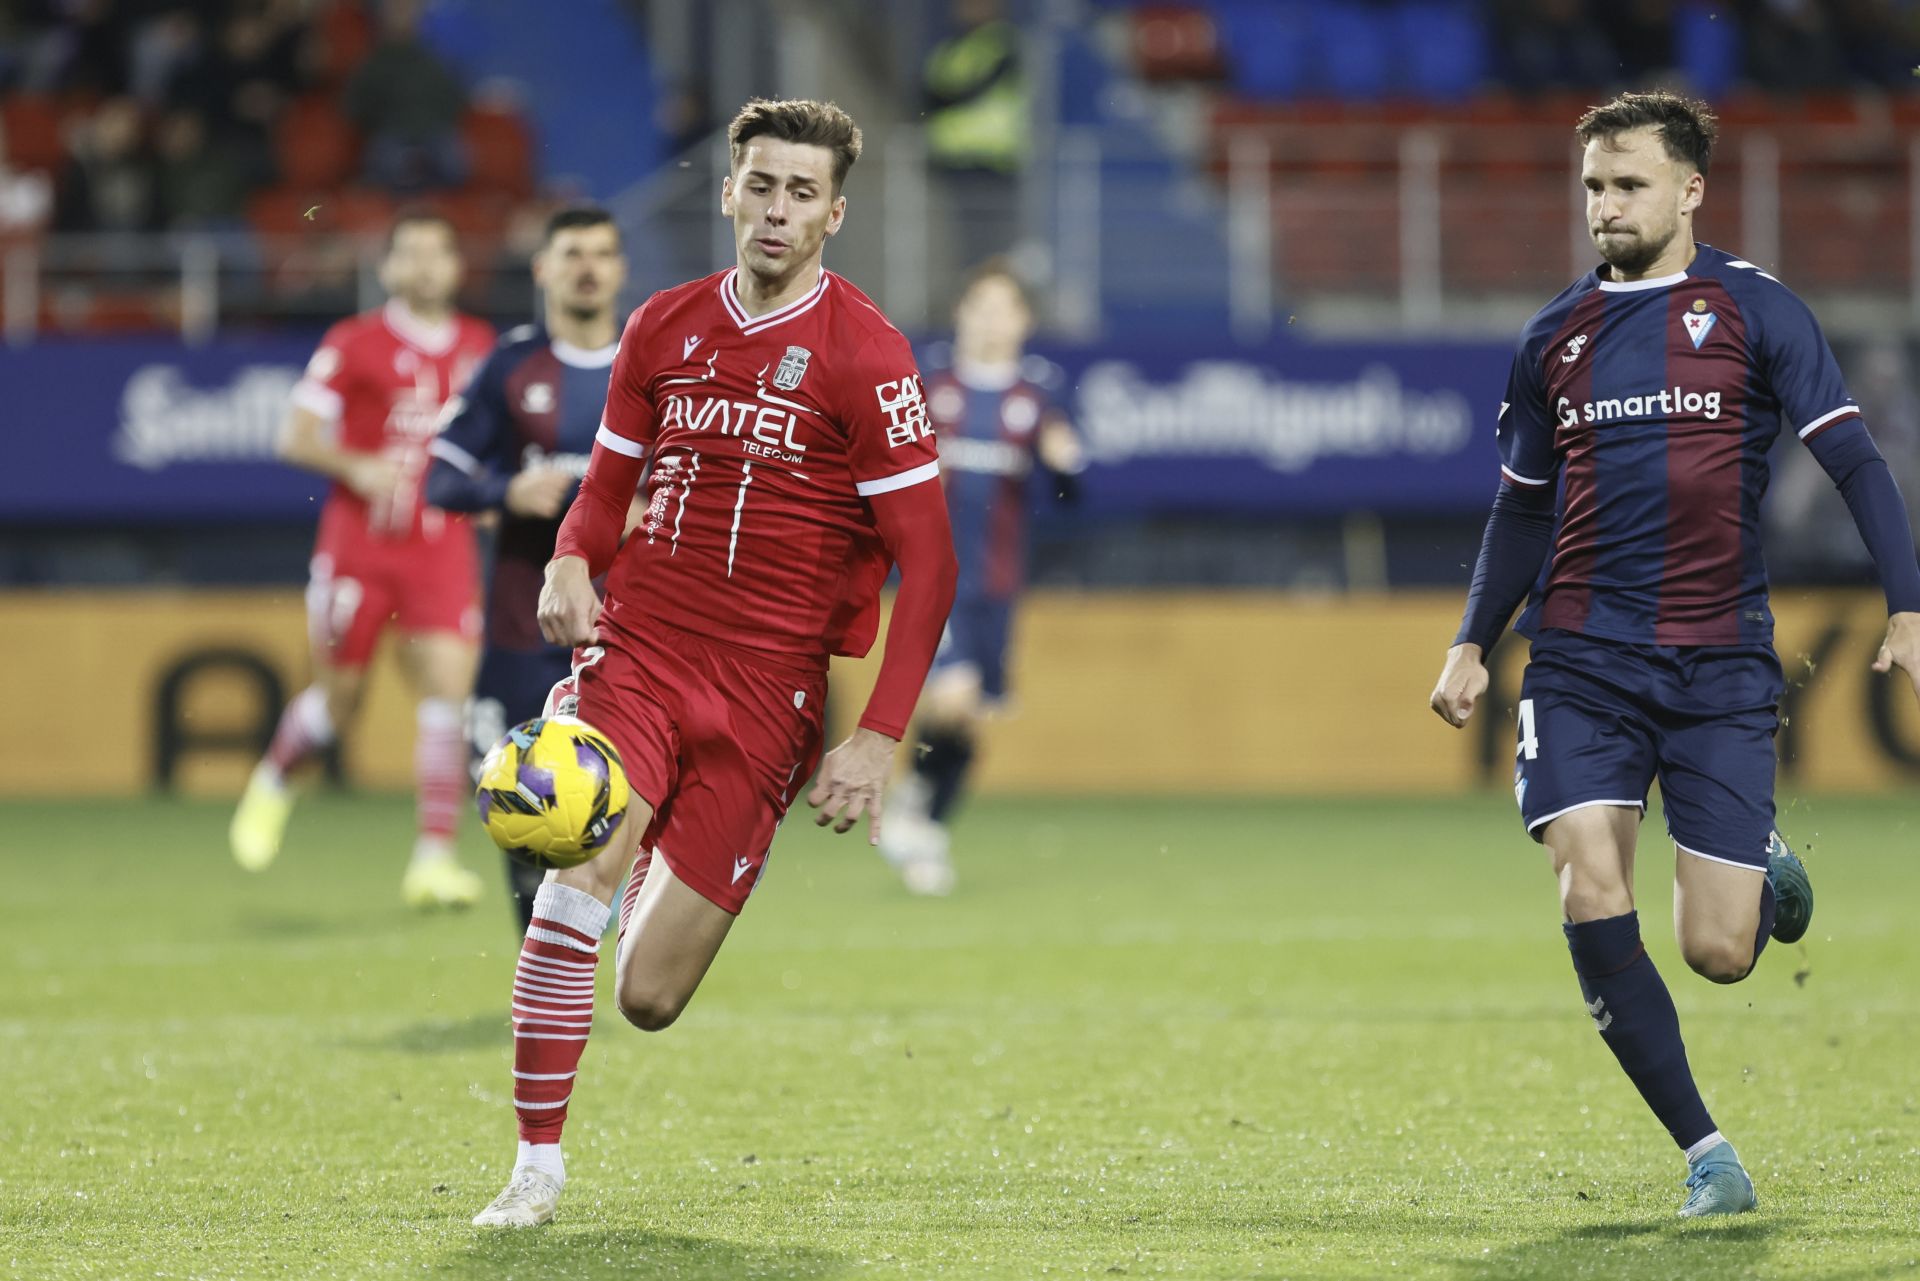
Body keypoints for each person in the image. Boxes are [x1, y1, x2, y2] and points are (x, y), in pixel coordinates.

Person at [1429, 91, 1920, 1217]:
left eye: (1631, 184)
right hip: (1582, 662)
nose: (1606, 205)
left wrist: (1909, 607)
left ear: (1691, 190)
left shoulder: (1757, 312)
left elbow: (1855, 462)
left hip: (1720, 667)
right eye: (1595, 185)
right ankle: (1708, 1154)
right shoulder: (1551, 338)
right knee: (1588, 882)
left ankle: (1759, 855)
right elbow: (1519, 511)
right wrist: (1470, 641)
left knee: (1720, 953)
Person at [470, 98, 957, 1228]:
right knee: (571, 863)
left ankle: (650, 862)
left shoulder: (869, 358)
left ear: (834, 214)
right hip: (636, 647)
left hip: (767, 695)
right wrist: (569, 562)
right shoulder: (664, 327)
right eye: (762, 185)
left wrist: (877, 736)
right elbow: (603, 484)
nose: (777, 209)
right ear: (729, 190)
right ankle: (535, 1167)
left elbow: (927, 567)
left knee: (647, 998)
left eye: (802, 193)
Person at [230, 212, 495, 910]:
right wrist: (357, 464)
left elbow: (495, 444)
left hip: (442, 546)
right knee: (340, 701)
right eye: (410, 253)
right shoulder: (353, 342)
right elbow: (296, 436)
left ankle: (432, 860)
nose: (426, 266)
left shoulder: (482, 347)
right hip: (360, 548)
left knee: (447, 692)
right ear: (388, 270)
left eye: (439, 252)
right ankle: (276, 775)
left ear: (456, 267)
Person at [424, 204, 635, 930]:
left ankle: (609, 942)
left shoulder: (655, 362)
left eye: (602, 253)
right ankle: (544, 977)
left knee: (627, 806)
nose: (588, 267)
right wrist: (505, 490)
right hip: (521, 629)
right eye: (572, 252)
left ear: (620, 270)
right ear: (543, 267)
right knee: (524, 816)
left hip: (626, 630)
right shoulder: (512, 365)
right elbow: (441, 478)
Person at [879, 258, 1082, 894]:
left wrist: (1066, 467)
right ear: (963, 313)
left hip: (997, 585)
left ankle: (923, 818)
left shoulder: (1036, 398)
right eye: (982, 306)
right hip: (934, 579)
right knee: (954, 694)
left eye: (1006, 309)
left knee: (969, 719)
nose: (993, 320)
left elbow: (1070, 496)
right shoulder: (927, 386)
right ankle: (919, 820)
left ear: (1023, 321)